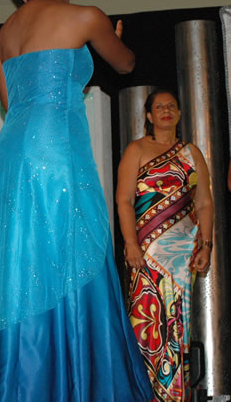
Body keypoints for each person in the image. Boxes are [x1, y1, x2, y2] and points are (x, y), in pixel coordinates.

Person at [0, 0, 152, 401]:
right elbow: (125, 63)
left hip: (12, 152)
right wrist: (110, 34)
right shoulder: (84, 14)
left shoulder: (7, 31)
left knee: (24, 259)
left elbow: (8, 100)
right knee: (74, 252)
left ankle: (28, 382)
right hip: (56, 150)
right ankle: (79, 381)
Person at [116, 89, 213, 401]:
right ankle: (142, 394)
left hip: (182, 257)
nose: (166, 110)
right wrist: (130, 243)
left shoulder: (191, 153)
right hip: (146, 254)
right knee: (145, 324)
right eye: (159, 106)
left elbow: (205, 202)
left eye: (172, 106)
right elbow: (124, 200)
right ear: (149, 116)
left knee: (177, 327)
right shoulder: (137, 150)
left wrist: (207, 245)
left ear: (179, 113)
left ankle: (173, 396)